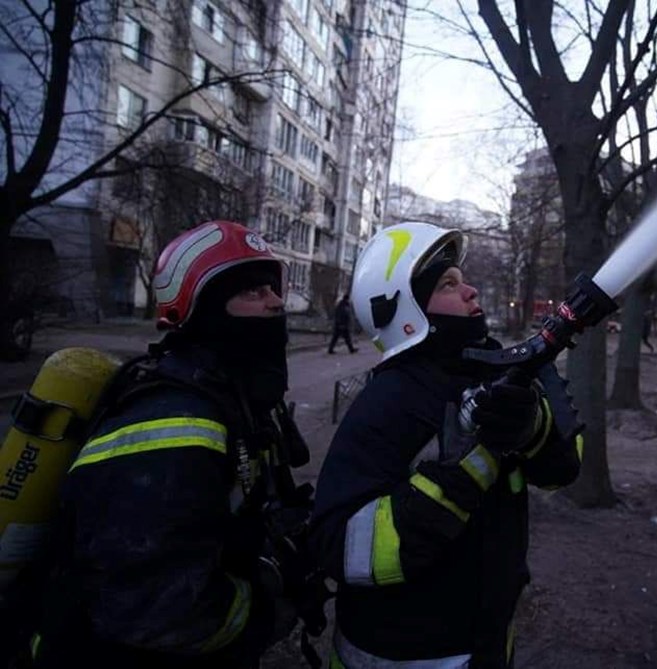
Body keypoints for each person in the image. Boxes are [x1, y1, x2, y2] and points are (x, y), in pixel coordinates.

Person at [30, 221, 304, 669]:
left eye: (272, 289)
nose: (276, 303)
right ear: (206, 313)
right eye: (253, 292)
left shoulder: (231, 398)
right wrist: (268, 609)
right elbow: (160, 612)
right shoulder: (174, 423)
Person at [309, 221, 583, 668]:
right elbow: (339, 549)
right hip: (404, 654)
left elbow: (565, 470)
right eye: (448, 284)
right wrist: (457, 475)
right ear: (407, 312)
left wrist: (532, 427)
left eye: (462, 278)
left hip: (485, 642)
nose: (471, 290)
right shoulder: (390, 402)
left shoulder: (492, 376)